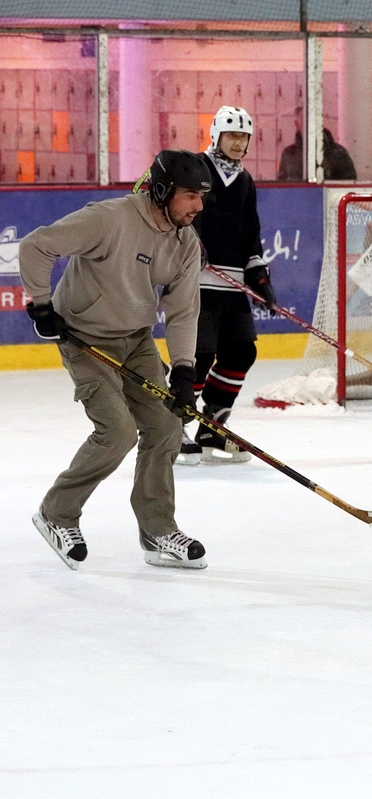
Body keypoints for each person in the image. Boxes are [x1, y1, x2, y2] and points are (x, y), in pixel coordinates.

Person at [19, 150, 211, 570]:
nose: (198, 205)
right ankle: (57, 513)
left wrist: (183, 368)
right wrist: (41, 304)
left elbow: (183, 312)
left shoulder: (185, 243)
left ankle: (158, 530)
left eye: (202, 196)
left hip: (136, 341)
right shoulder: (110, 219)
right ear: (162, 192)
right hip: (84, 339)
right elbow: (37, 245)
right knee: (118, 432)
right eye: (190, 195)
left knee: (166, 427)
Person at [178, 106, 274, 465]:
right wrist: (191, 242)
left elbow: (251, 234)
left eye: (243, 137)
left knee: (241, 352)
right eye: (232, 135)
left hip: (232, 283)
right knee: (199, 355)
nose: (238, 142)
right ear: (216, 136)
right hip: (196, 282)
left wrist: (260, 277)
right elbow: (178, 214)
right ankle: (174, 425)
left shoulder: (245, 181)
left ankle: (212, 426)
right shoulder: (196, 168)